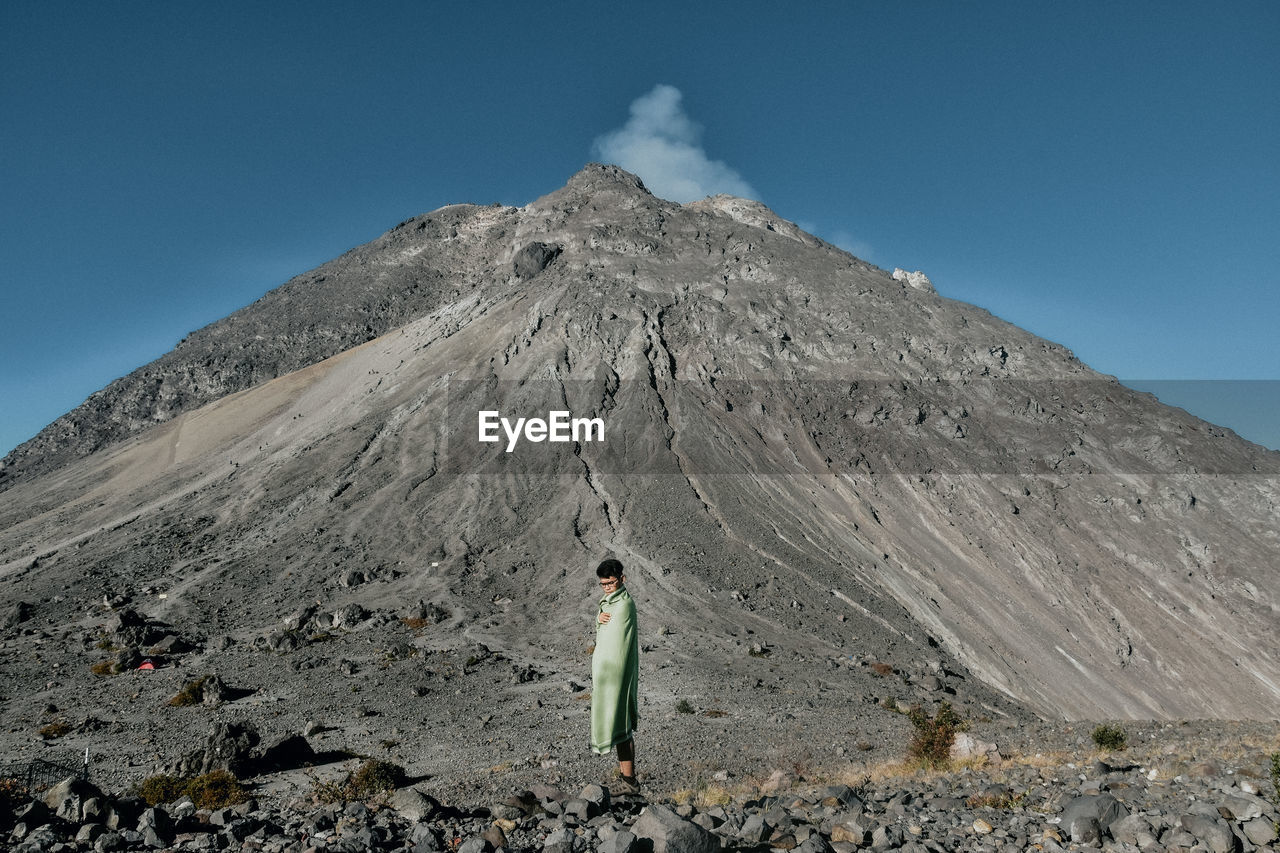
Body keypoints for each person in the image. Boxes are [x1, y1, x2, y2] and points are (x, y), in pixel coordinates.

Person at [590, 557, 639, 792]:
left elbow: (619, 644)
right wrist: (597, 619)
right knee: (616, 722)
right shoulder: (607, 603)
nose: (607, 588)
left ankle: (629, 780)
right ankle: (625, 779)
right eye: (603, 584)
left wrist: (616, 680)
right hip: (605, 675)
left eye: (610, 583)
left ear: (622, 579)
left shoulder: (624, 606)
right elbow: (604, 633)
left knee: (621, 723)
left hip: (616, 675)